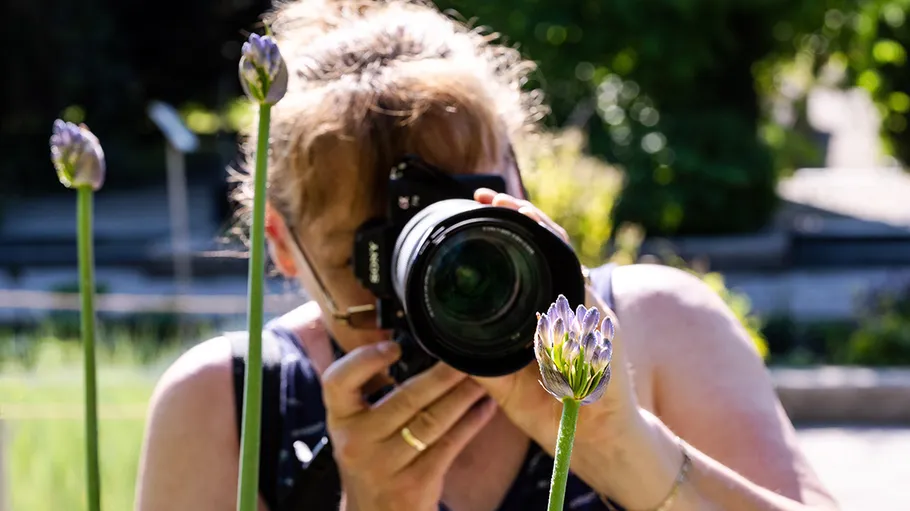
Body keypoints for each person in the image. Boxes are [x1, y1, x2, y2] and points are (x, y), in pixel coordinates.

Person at [134, 1, 839, 510]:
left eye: (467, 221)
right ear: (282, 246)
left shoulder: (658, 332)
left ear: (519, 178)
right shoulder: (230, 402)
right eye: (377, 260)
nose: (439, 289)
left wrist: (621, 447)